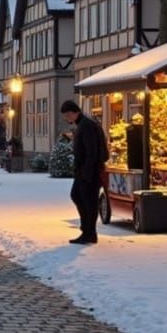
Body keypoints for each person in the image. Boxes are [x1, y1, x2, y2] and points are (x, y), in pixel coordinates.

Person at [61, 100, 108, 245]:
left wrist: (86, 172)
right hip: (85, 171)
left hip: (89, 172)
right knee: (79, 197)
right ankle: (87, 231)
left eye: (67, 115)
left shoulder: (86, 126)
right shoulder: (84, 125)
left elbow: (91, 151)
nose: (66, 119)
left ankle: (89, 232)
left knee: (88, 201)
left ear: (74, 112)